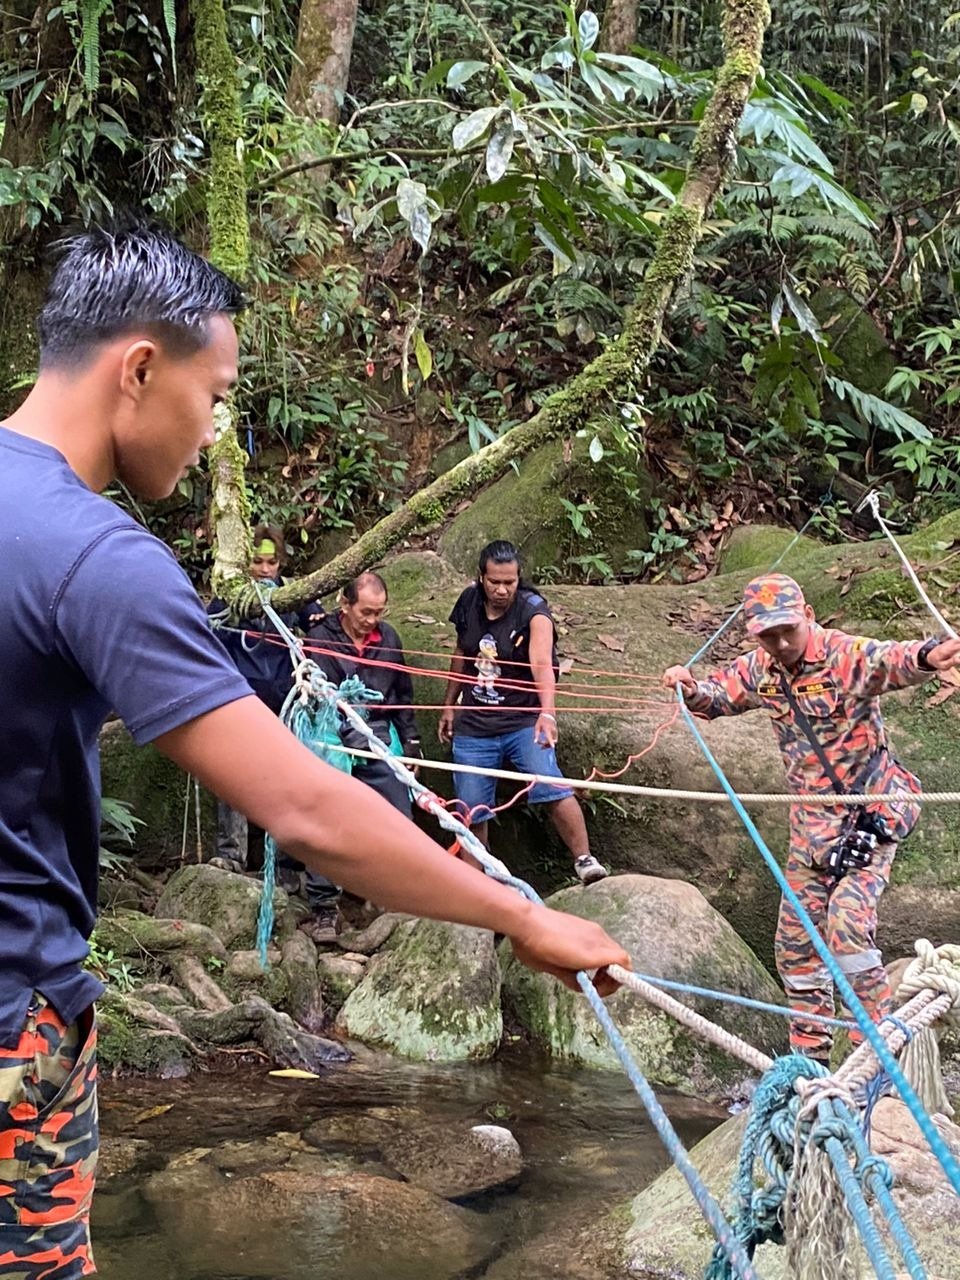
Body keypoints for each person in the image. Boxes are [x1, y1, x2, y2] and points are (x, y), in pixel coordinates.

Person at [0, 217, 629, 1277]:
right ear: (141, 368)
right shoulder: (100, 558)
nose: (214, 431)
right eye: (217, 395)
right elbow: (304, 809)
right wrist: (520, 915)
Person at [662, 572, 960, 1065]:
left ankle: (876, 1054)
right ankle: (811, 1059)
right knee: (795, 947)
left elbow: (890, 661)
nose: (780, 642)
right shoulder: (760, 668)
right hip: (811, 834)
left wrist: (930, 655)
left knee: (846, 930)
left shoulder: (842, 655)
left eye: (788, 630)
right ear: (753, 633)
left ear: (809, 618)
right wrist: (688, 686)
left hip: (870, 819)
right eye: (767, 634)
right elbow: (716, 698)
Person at [439, 540, 607, 886]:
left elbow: (542, 663)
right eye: (494, 582)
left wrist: (548, 713)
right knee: (470, 807)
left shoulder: (534, 611)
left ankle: (584, 860)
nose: (502, 590)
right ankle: (476, 883)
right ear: (481, 578)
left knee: (550, 784)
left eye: (510, 583)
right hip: (475, 723)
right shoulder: (468, 603)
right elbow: (461, 653)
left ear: (519, 579)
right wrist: (449, 704)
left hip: (522, 721)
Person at [295, 570, 424, 941]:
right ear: (344, 605)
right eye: (366, 612)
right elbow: (316, 698)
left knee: (397, 811)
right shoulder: (319, 638)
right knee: (329, 816)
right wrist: (348, 731)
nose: (372, 621)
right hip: (330, 735)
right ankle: (324, 908)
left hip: (379, 735)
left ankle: (392, 895)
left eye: (379, 613)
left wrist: (412, 743)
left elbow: (402, 696)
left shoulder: (389, 638)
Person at [207, 523, 321, 871]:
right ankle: (231, 855)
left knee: (285, 779)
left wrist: (315, 625)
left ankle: (286, 864)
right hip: (239, 705)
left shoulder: (291, 595)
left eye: (271, 563)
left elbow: (320, 624)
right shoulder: (230, 598)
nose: (264, 570)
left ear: (280, 563)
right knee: (232, 775)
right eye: (257, 562)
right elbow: (206, 634)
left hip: (285, 704)